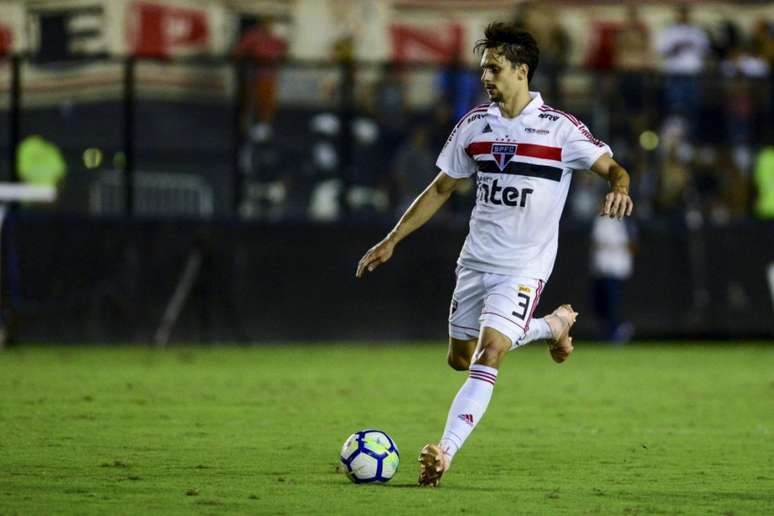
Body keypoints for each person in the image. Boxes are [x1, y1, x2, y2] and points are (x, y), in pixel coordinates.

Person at [356, 22, 634, 486]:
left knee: (490, 352)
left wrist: (621, 187)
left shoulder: (559, 129)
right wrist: (392, 239)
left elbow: (613, 167)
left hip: (525, 265)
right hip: (475, 262)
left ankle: (444, 452)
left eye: (494, 67)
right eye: (484, 68)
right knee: (459, 359)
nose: (486, 76)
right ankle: (551, 325)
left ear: (521, 71)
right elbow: (442, 187)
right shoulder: (474, 125)